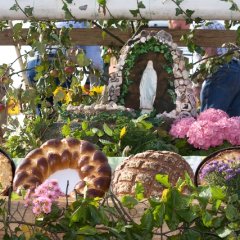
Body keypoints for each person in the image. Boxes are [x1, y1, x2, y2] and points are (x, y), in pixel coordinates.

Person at [197, 21, 240, 117]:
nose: (201, 49)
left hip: (221, 71)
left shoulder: (220, 73)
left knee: (209, 122)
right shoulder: (236, 68)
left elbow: (209, 122)